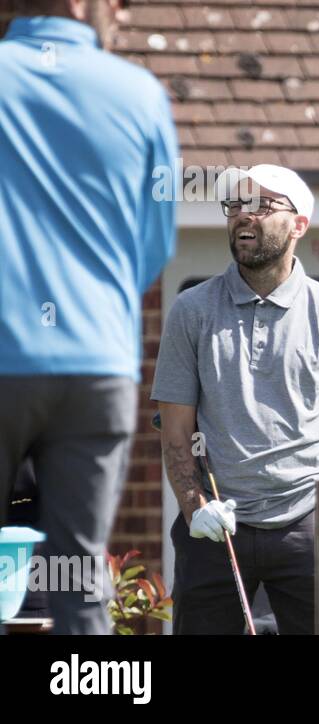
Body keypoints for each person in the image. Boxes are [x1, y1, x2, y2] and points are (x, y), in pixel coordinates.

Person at [0, 0, 176, 634]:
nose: (123, 13)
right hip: (96, 366)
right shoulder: (139, 94)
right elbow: (153, 245)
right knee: (78, 582)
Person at [151, 165, 319, 634]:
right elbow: (175, 429)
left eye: (262, 205)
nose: (244, 216)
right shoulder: (191, 311)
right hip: (215, 528)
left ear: (299, 224)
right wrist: (196, 508)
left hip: (308, 525)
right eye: (236, 206)